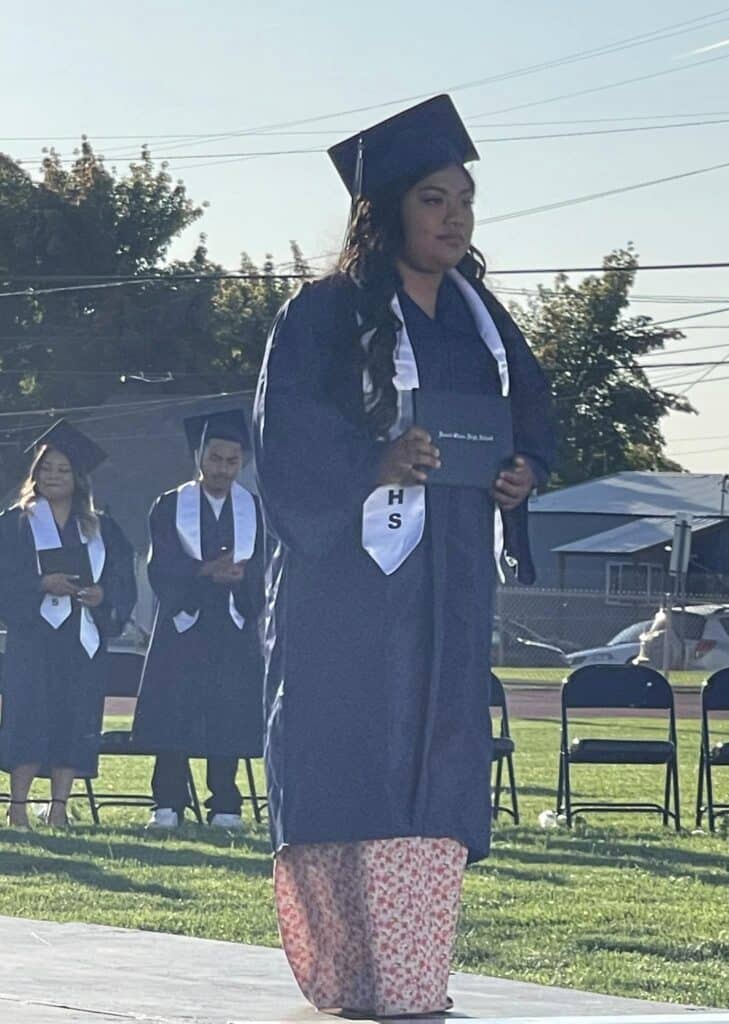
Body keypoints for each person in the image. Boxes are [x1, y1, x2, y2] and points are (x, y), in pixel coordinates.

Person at [254, 94, 557, 1016]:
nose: (457, 215)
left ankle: (415, 983)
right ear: (385, 210)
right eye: (434, 198)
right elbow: (286, 439)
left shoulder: (484, 327)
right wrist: (373, 460)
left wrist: (521, 476)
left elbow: (531, 421)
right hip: (350, 587)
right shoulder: (324, 315)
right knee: (352, 753)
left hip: (450, 584)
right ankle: (352, 979)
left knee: (437, 762)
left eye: (466, 198)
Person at [131, 409, 264, 830]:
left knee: (227, 712)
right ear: (199, 458)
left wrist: (244, 577)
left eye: (232, 461)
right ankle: (167, 802)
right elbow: (161, 563)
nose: (223, 469)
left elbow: (266, 563)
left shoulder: (255, 508)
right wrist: (204, 572)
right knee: (175, 710)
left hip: (232, 622)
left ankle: (225, 803)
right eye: (216, 459)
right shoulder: (170, 505)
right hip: (183, 623)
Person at [0, 420, 137, 828]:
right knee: (29, 717)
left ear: (78, 478)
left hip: (82, 639)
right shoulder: (15, 523)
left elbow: (119, 578)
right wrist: (40, 583)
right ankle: (18, 807)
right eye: (46, 469)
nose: (53, 476)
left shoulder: (99, 526)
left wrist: (102, 597)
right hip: (33, 637)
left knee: (73, 719)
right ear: (35, 475)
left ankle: (59, 808)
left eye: (62, 469)